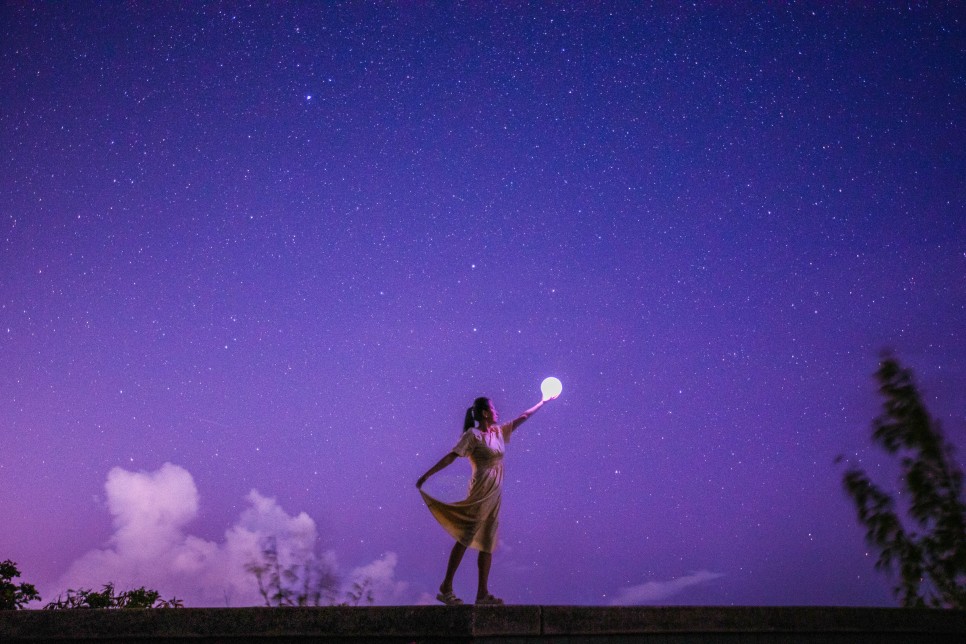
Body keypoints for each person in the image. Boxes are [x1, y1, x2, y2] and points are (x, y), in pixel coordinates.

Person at [416, 392, 557, 605]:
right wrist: (427, 474)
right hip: (480, 492)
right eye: (493, 408)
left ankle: (482, 594)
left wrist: (542, 402)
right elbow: (452, 456)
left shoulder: (498, 433)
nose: (497, 411)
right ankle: (446, 587)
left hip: (495, 495)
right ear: (484, 413)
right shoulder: (473, 435)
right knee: (465, 536)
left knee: (487, 542)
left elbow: (524, 417)